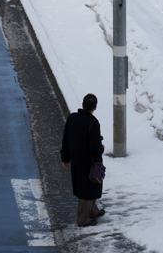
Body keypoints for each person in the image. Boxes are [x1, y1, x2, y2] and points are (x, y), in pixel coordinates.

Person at [61, 93, 105, 227]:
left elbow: (66, 139)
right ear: (95, 107)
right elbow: (94, 146)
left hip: (77, 161)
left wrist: (65, 157)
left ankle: (93, 211)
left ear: (82, 105)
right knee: (88, 189)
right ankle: (83, 219)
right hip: (90, 162)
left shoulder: (72, 118)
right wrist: (101, 148)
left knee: (89, 187)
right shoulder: (93, 122)